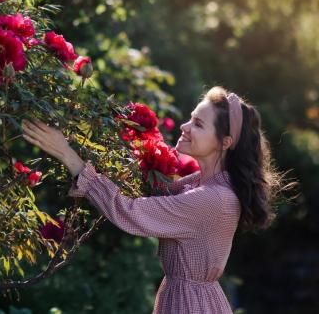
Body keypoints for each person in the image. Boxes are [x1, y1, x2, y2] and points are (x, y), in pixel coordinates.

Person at [21, 86, 283, 314]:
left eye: (198, 124)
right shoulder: (198, 184)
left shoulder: (213, 199)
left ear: (225, 142)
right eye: (191, 119)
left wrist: (70, 157)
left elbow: (131, 210)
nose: (185, 126)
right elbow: (148, 198)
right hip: (188, 300)